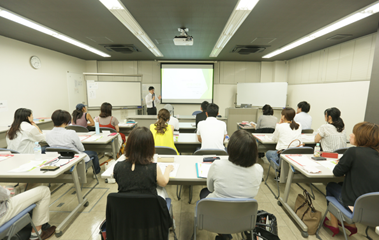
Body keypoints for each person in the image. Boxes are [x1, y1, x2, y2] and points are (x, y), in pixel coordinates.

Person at [199, 130, 263, 240]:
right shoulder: (259, 169)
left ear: (231, 148)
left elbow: (210, 188)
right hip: (243, 218)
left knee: (204, 192)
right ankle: (226, 232)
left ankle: (223, 233)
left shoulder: (217, 165)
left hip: (216, 215)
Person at [323, 122, 379, 237]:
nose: (350, 135)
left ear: (362, 137)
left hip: (356, 206)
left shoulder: (353, 152)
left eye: (354, 133)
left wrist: (344, 164)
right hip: (375, 209)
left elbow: (337, 172)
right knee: (340, 184)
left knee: (331, 185)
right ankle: (348, 224)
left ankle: (334, 223)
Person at [113, 127, 174, 199]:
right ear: (150, 147)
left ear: (129, 145)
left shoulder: (118, 167)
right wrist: (168, 170)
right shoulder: (153, 168)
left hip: (125, 208)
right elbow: (164, 183)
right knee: (162, 191)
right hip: (149, 209)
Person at [45, 110, 101, 174]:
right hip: (74, 158)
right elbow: (81, 149)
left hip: (58, 159)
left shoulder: (48, 134)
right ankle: (97, 172)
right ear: (66, 121)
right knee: (94, 153)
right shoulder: (71, 133)